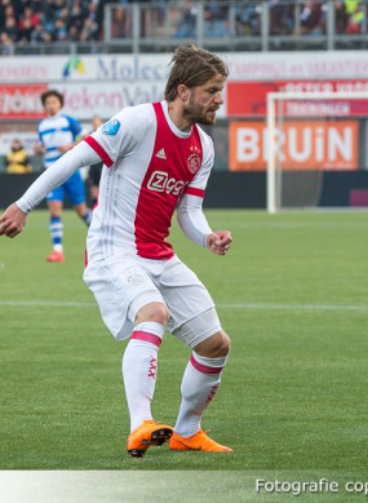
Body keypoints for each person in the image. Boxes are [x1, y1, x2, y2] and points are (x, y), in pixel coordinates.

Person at [0, 44, 234, 459]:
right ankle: (140, 423)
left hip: (158, 254)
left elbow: (190, 211)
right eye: (213, 90)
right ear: (184, 91)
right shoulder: (138, 121)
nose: (220, 98)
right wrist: (23, 205)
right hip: (113, 249)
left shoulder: (203, 146)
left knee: (216, 344)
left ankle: (186, 431)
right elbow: (73, 159)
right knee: (154, 313)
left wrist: (207, 237)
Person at [34, 89, 92, 262]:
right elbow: (45, 148)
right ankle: (58, 251)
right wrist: (40, 150)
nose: (51, 105)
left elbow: (88, 137)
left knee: (81, 211)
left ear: (59, 104)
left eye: (54, 102)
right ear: (45, 106)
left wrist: (70, 146)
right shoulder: (41, 125)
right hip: (51, 172)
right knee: (54, 210)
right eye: (48, 102)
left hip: (70, 171)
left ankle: (102, 233)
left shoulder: (69, 121)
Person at [85, 115, 104, 203]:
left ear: (101, 123)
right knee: (94, 191)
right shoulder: (90, 135)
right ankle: (94, 212)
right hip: (93, 167)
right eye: (94, 122)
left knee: (103, 189)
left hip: (103, 166)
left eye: (97, 122)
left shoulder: (106, 134)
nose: (95, 124)